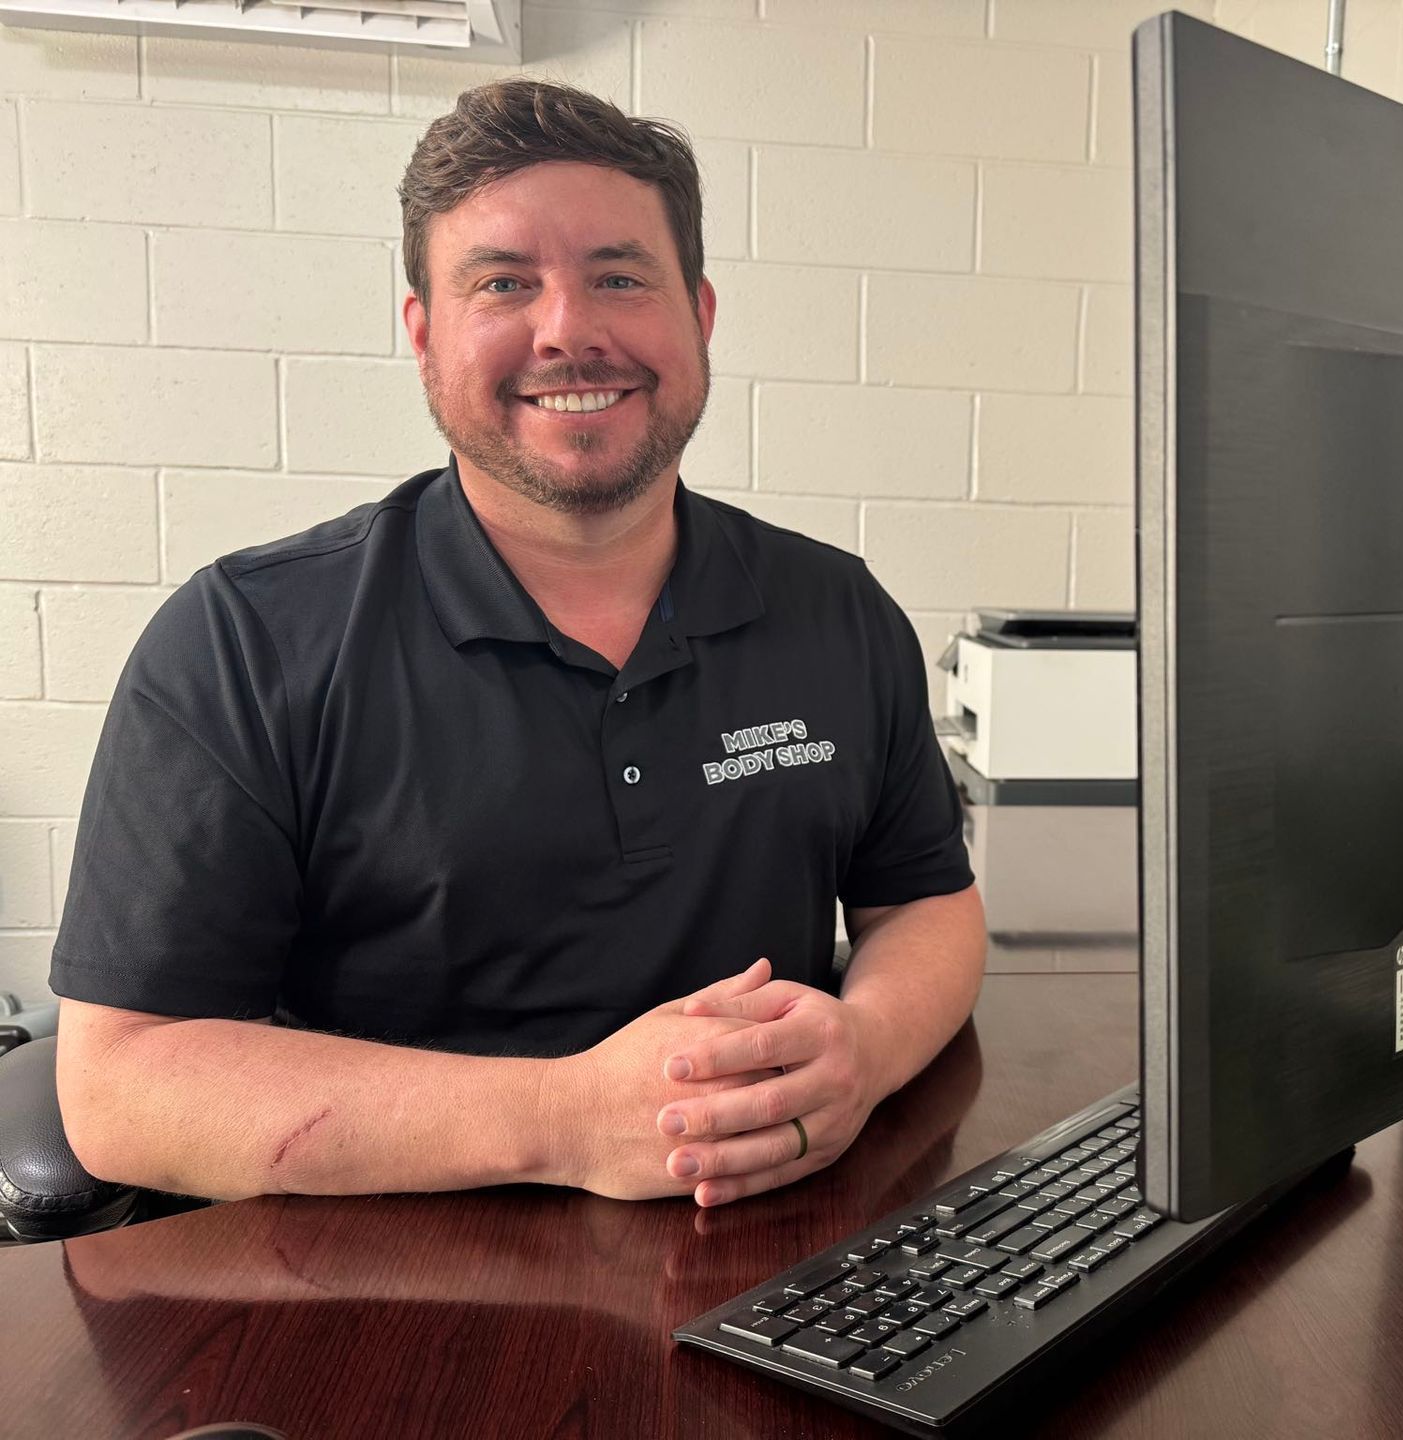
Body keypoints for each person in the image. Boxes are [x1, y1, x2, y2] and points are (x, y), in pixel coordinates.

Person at [47, 78, 986, 1211]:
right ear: (424, 333)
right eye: (504, 283)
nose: (568, 331)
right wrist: (565, 1120)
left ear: (699, 314)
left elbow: (924, 906)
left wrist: (865, 1047)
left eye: (619, 277)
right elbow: (120, 1086)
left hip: (779, 1275)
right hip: (386, 1308)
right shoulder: (243, 642)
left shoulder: (836, 610)